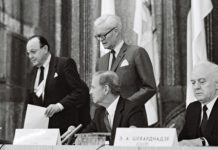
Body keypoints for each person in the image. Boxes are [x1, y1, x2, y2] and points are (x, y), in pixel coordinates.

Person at [26, 35, 91, 134]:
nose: (30, 56)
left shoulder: (64, 64)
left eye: (33, 52)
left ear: (45, 49)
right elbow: (29, 102)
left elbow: (79, 91)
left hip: (65, 130)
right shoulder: (33, 72)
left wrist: (59, 105)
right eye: (28, 53)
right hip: (42, 132)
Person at [62, 71, 148, 145]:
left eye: (93, 87)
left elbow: (138, 142)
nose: (90, 92)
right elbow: (84, 136)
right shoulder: (99, 112)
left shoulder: (133, 109)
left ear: (106, 89)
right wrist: (73, 133)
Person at [94, 15, 156, 114]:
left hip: (132, 117)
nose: (101, 39)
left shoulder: (136, 52)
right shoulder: (101, 61)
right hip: (108, 121)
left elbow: (149, 87)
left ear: (116, 31)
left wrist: (125, 106)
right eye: (98, 36)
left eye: (103, 35)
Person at [179, 62, 218, 146]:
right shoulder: (193, 108)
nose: (196, 87)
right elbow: (183, 139)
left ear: (217, 84)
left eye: (202, 82)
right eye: (193, 83)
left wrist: (202, 141)